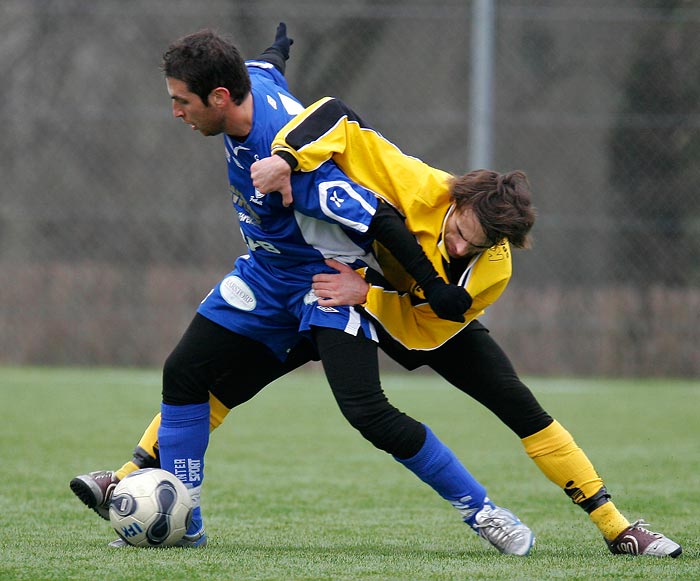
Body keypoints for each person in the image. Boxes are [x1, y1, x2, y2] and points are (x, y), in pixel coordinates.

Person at [70, 25, 535, 555]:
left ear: (220, 98)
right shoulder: (251, 82)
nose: (176, 112)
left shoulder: (291, 163)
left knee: (368, 413)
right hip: (265, 278)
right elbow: (265, 68)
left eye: (182, 102)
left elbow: (379, 219)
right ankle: (185, 518)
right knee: (184, 372)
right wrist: (277, 50)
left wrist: (431, 286)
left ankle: (484, 512)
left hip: (324, 285)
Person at [245, 96, 683, 558]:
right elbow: (339, 119)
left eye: (473, 246)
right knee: (239, 371)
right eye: (457, 232)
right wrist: (287, 157)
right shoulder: (420, 184)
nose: (457, 248)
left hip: (418, 318)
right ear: (458, 199)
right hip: (343, 290)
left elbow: (423, 328)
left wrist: (368, 294)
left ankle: (617, 528)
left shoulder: (494, 270)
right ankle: (157, 452)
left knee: (524, 411)